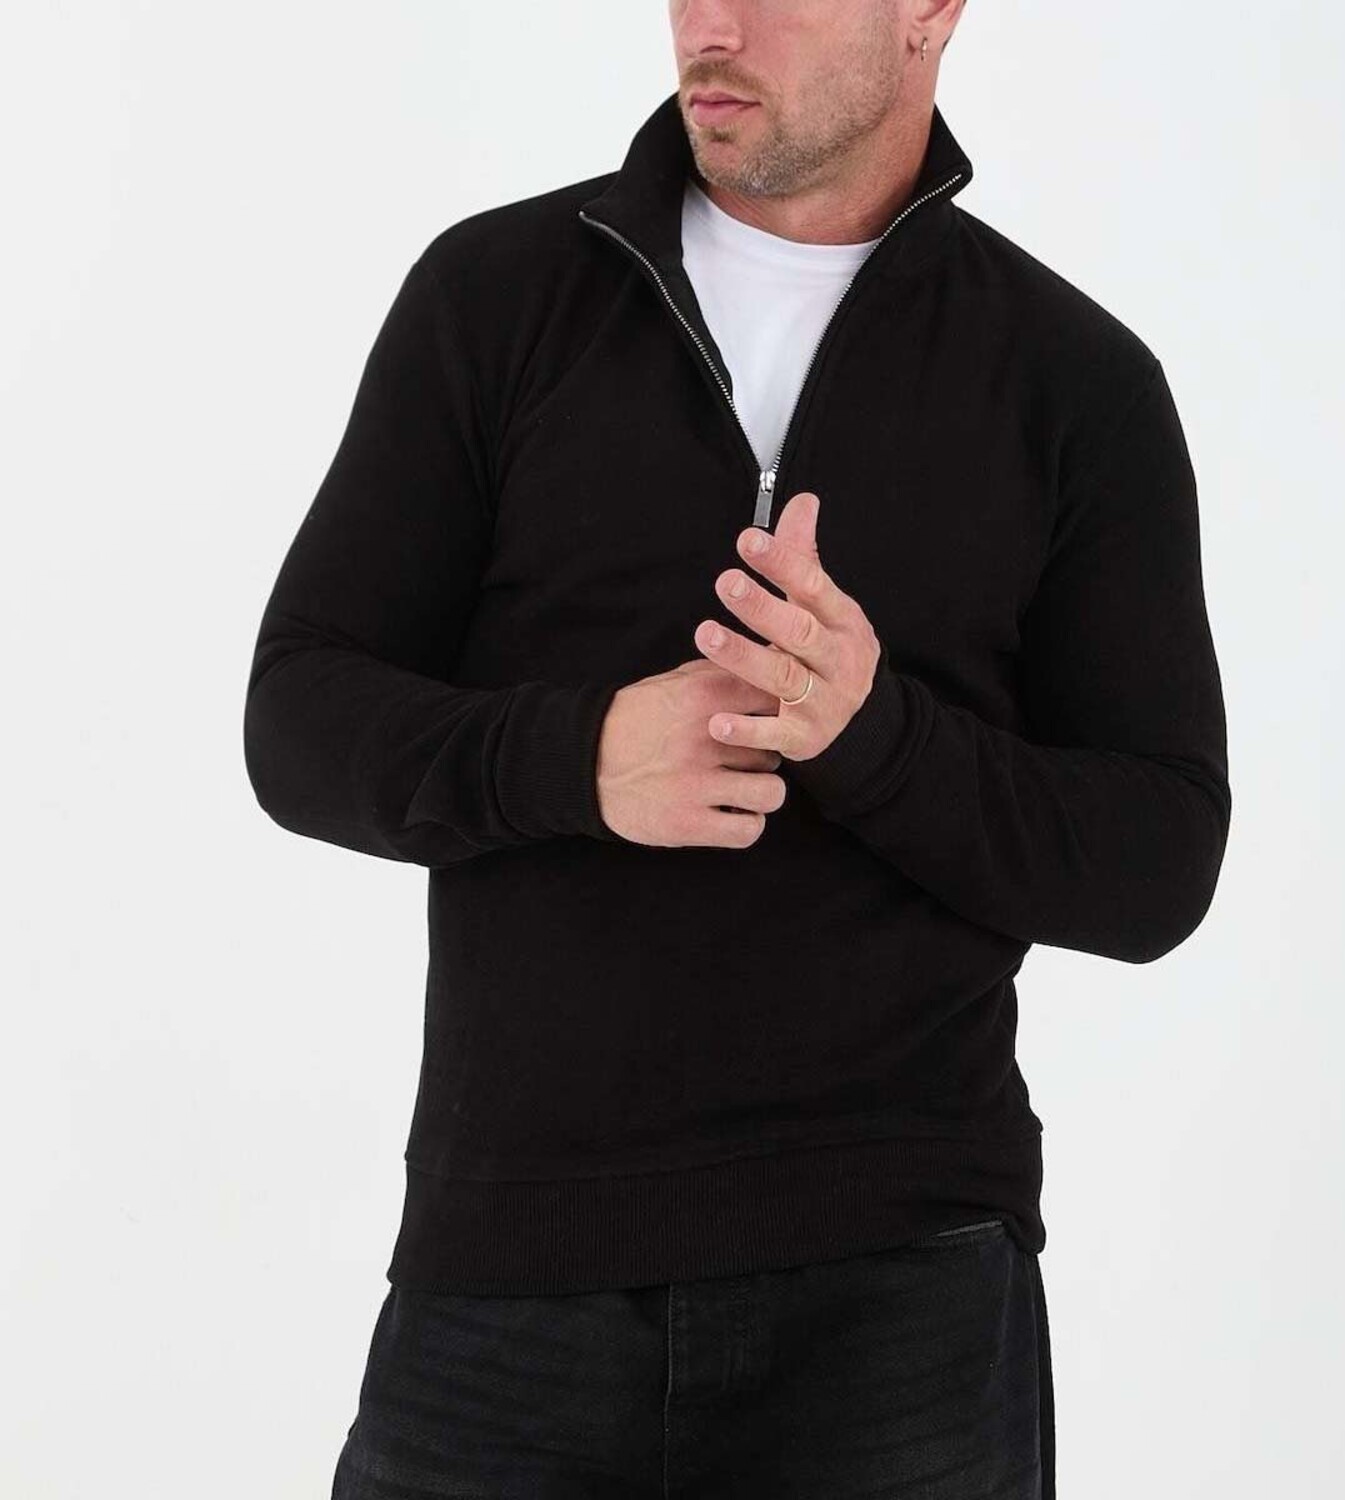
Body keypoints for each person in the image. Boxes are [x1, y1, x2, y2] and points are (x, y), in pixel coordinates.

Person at [242, 1, 1230, 1494]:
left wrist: (876, 738)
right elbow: (299, 715)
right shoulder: (495, 297)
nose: (709, 22)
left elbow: (1158, 859)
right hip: (510, 1273)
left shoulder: (1073, 381)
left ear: (930, 11)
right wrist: (583, 758)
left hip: (899, 1294)